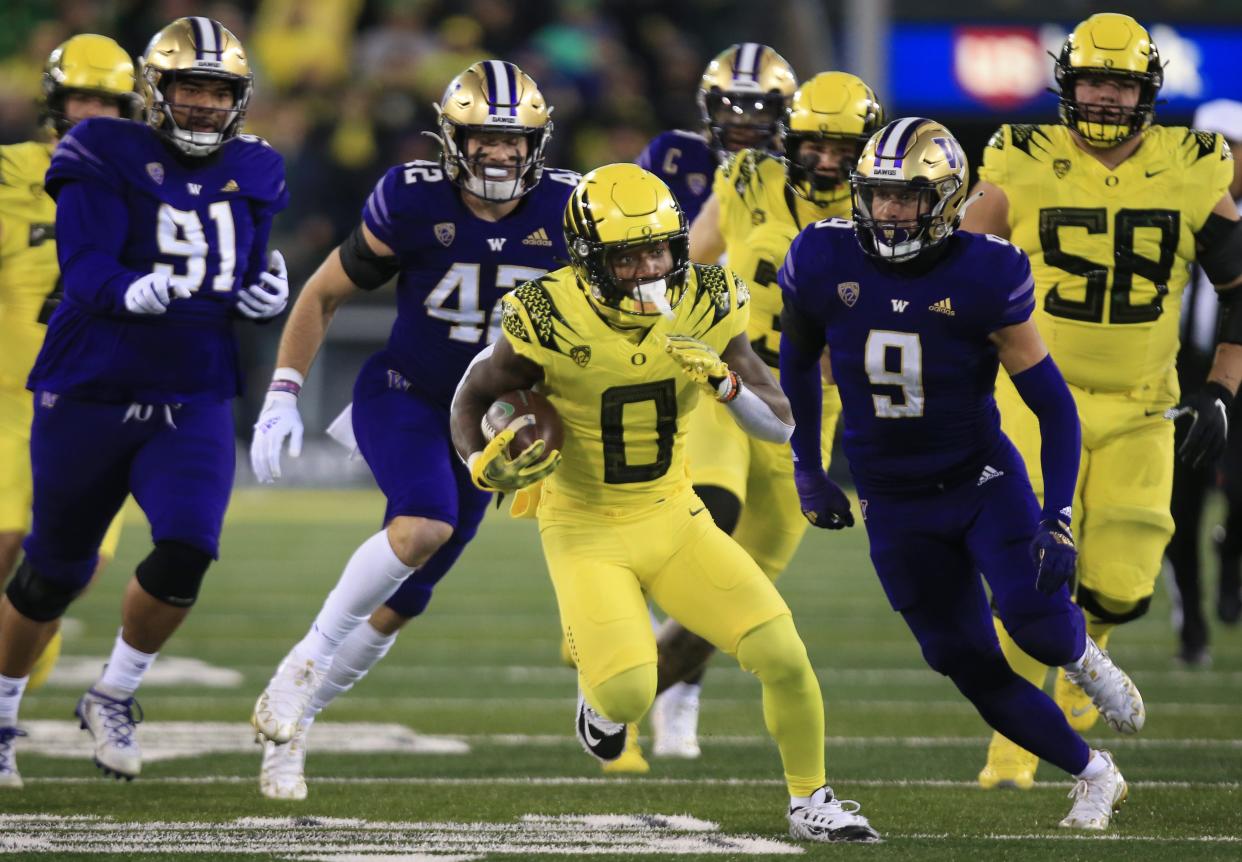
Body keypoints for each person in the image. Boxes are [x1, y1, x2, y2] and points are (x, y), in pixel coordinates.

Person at [450, 162, 880, 844]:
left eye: (660, 250)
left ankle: (812, 800)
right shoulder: (544, 311)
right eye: (629, 256)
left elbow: (783, 419)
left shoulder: (707, 299)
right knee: (627, 693)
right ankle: (598, 687)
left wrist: (727, 384)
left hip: (672, 513)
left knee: (783, 651)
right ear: (590, 261)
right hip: (583, 523)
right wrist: (482, 458)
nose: (652, 267)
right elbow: (473, 395)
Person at [779, 117, 1147, 830]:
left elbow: (1054, 409)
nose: (888, 211)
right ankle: (1096, 775)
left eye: (907, 196)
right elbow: (795, 361)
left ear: (946, 200)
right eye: (878, 194)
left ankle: (1082, 655)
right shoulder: (822, 257)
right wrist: (808, 466)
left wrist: (1057, 516)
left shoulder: (986, 272)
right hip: (891, 499)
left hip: (980, 481)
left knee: (1035, 621)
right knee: (962, 659)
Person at [249, 61, 579, 801]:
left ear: (537, 144)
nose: (499, 155)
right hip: (407, 392)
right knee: (421, 525)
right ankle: (300, 665)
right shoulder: (411, 198)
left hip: (493, 423)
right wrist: (283, 392)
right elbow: (324, 292)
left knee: (407, 597)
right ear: (451, 139)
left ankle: (293, 727)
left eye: (513, 140)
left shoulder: (568, 212)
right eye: (484, 139)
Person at [0, 16, 288, 786]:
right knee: (51, 573)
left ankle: (114, 694)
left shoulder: (258, 168)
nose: (201, 104)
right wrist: (132, 289)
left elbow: (244, 269)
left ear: (240, 98)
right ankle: (0, 714)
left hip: (192, 389)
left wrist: (263, 291)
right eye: (188, 87)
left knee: (190, 547)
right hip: (89, 385)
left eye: (217, 90)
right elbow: (85, 267)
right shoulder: (101, 148)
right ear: (154, 94)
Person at [960, 13, 1242, 788]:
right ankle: (1012, 748)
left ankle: (1091, 653)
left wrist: (1221, 386)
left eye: (1121, 83)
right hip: (1037, 391)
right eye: (1093, 80)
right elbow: (959, 267)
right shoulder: (1021, 157)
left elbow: (1240, 289)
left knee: (1123, 583)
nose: (1107, 98)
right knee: (1025, 570)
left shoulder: (1193, 165)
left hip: (1145, 400)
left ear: (1146, 90)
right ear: (1067, 84)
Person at [652, 71, 884, 759]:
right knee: (709, 513)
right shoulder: (749, 179)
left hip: (816, 406)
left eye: (845, 148)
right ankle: (609, 619)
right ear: (793, 138)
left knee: (734, 599)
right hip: (731, 379)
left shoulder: (890, 211)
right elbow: (686, 266)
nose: (828, 161)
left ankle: (629, 684)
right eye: (816, 145)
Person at [0, 35, 141, 712]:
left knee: (70, 573)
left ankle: (8, 700)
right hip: (9, 403)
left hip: (98, 406)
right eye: (82, 98)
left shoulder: (150, 180)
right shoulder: (9, 173)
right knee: (4, 544)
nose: (92, 114)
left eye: (108, 103)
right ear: (55, 103)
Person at [1164, 99, 1242, 666]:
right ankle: (1191, 622)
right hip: (1181, 371)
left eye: (1227, 148)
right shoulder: (1169, 209)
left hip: (1239, 373)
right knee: (1176, 508)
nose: (1217, 159)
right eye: (1206, 146)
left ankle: (1231, 565)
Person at [637, 43, 797, 230]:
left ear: (784, 112)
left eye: (760, 111)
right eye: (727, 108)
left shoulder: (794, 173)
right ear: (708, 106)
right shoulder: (672, 154)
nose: (741, 123)